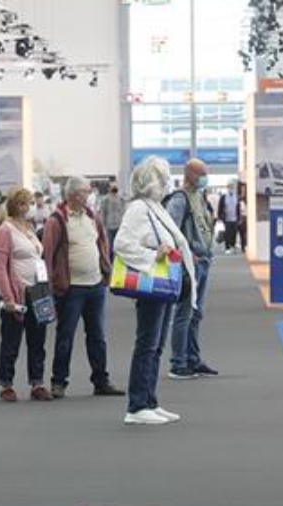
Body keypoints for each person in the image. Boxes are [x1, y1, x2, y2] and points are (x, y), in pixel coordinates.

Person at [115, 156, 196, 424]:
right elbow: (122, 244)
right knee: (148, 344)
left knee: (156, 345)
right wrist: (153, 255)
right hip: (151, 281)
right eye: (162, 179)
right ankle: (137, 405)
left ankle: (148, 400)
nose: (166, 183)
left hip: (161, 283)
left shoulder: (154, 207)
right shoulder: (139, 208)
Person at [42, 176, 124, 399]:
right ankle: (58, 382)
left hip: (95, 285)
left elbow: (102, 244)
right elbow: (47, 255)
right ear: (74, 194)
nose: (89, 195)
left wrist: (106, 271)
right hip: (71, 289)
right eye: (86, 191)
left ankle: (101, 381)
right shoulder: (57, 221)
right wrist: (50, 287)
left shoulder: (92, 216)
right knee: (65, 336)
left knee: (97, 336)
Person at [0, 187, 54, 402]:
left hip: (37, 291)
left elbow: (38, 258)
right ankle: (6, 384)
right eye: (25, 203)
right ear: (16, 205)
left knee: (37, 341)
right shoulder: (5, 230)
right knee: (11, 341)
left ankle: (37, 383)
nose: (28, 207)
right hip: (18, 293)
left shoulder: (29, 227)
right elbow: (0, 267)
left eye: (30, 203)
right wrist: (7, 297)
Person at [163, 158, 219, 379]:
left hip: (203, 261)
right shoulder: (179, 199)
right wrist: (185, 254)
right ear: (190, 175)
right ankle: (178, 363)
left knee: (196, 314)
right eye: (202, 173)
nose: (205, 177)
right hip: (189, 264)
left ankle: (192, 359)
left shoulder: (200, 197)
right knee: (184, 313)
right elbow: (169, 229)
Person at [99, 182, 126, 258]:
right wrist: (103, 225)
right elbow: (103, 212)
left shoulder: (121, 199)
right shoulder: (105, 199)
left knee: (119, 244)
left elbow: (124, 212)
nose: (114, 188)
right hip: (109, 226)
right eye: (112, 187)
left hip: (119, 225)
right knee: (110, 244)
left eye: (115, 187)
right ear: (109, 188)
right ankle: (110, 259)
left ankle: (117, 257)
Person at [218, 182, 241, 254]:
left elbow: (238, 208)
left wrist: (239, 218)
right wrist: (220, 217)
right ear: (227, 188)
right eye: (229, 187)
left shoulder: (236, 196)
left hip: (235, 218)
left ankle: (233, 246)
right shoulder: (224, 197)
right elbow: (220, 207)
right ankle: (227, 248)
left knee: (234, 233)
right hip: (227, 218)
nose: (230, 189)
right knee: (227, 233)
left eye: (232, 187)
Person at [238, 183, 248, 253]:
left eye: (244, 190)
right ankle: (243, 247)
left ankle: (245, 245)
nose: (243, 191)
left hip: (248, 217)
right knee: (242, 233)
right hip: (242, 218)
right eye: (242, 190)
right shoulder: (239, 200)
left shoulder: (248, 199)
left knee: (246, 233)